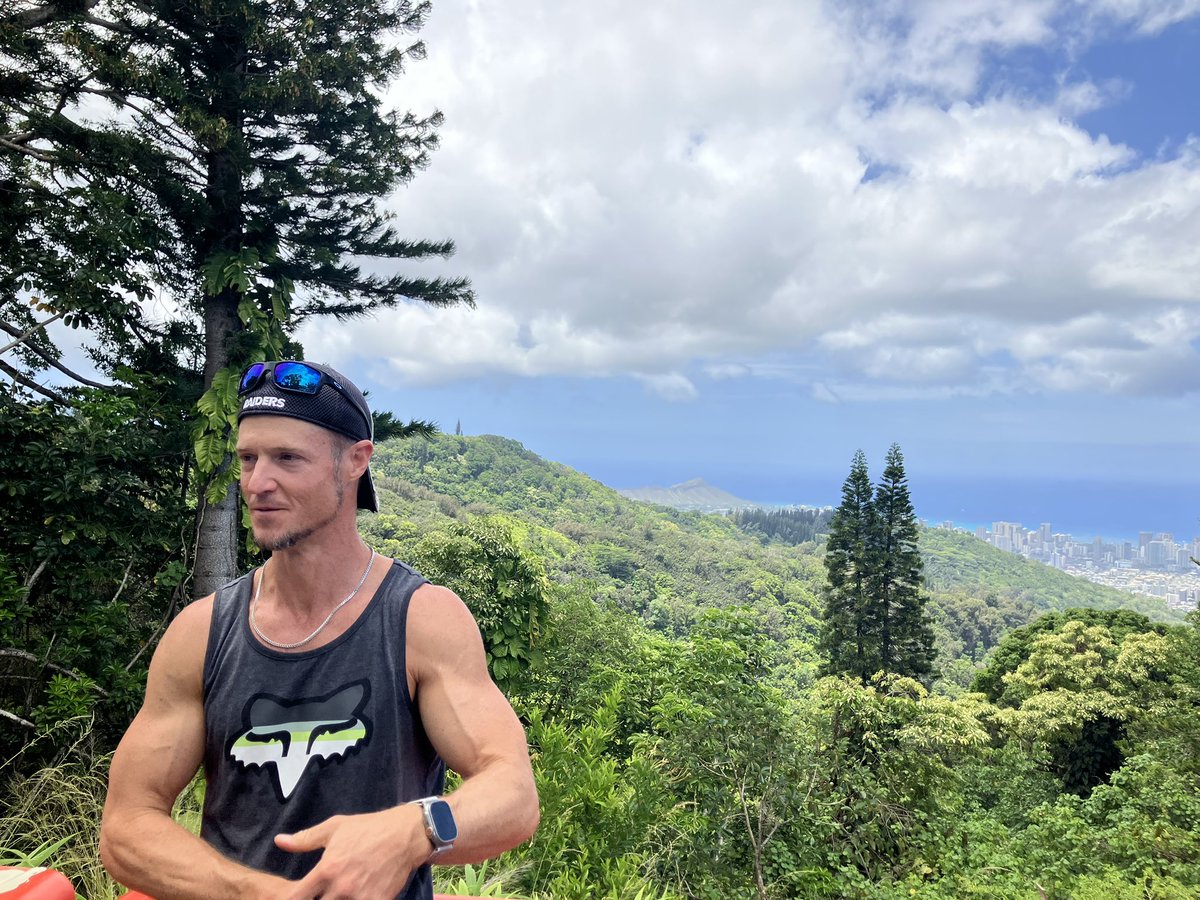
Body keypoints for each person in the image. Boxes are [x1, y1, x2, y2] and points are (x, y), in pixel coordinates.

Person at [100, 360, 539, 900]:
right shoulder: (202, 633)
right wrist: (255, 894)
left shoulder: (421, 621)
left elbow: (513, 794)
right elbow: (126, 827)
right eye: (248, 459)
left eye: (287, 458)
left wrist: (413, 831)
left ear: (355, 461)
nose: (258, 483)